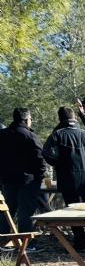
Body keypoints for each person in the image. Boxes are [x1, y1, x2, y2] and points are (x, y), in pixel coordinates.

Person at [42, 107, 85, 253]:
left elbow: (48, 155)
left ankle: (80, 243)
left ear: (60, 119)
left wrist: (59, 163)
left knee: (73, 211)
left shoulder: (57, 135)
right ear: (75, 118)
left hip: (67, 178)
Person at [0, 107, 47, 253]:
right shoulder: (30, 136)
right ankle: (25, 244)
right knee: (26, 211)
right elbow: (40, 159)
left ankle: (3, 242)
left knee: (7, 210)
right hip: (28, 180)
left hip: (7, 180)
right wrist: (39, 176)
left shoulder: (2, 135)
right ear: (27, 120)